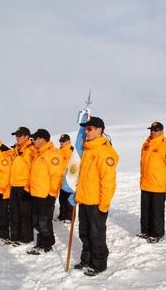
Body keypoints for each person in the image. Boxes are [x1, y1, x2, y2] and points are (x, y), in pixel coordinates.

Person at [73, 116, 119, 276]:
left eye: (90, 128)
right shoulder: (88, 149)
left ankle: (99, 263)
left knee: (96, 234)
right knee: (84, 233)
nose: (86, 131)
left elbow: (108, 183)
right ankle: (86, 259)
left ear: (99, 130)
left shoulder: (105, 152)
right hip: (84, 199)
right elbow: (84, 177)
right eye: (86, 128)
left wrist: (104, 205)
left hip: (96, 203)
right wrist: (77, 194)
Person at [138, 122, 166, 243]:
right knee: (145, 210)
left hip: (158, 185)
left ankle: (157, 234)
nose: (152, 132)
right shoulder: (146, 144)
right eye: (151, 130)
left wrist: (161, 176)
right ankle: (145, 231)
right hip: (145, 183)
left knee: (156, 211)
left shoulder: (165, 146)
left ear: (161, 131)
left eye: (155, 130)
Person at [27, 129, 64, 254]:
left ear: (43, 139)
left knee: (44, 221)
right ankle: (40, 243)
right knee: (37, 221)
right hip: (36, 193)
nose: (33, 141)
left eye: (35, 139)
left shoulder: (52, 154)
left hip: (46, 195)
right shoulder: (39, 154)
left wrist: (52, 194)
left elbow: (56, 175)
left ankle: (47, 245)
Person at [9, 127, 35, 244]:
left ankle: (26, 238)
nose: (17, 138)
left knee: (25, 214)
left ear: (26, 137)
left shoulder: (32, 149)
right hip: (14, 186)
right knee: (14, 213)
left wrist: (28, 188)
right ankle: (15, 237)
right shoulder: (16, 150)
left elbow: (34, 171)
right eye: (16, 136)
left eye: (19, 136)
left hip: (24, 186)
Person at [57, 134, 74, 223]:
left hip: (68, 177)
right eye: (60, 141)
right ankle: (62, 215)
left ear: (68, 141)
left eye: (63, 141)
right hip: (61, 178)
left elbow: (72, 165)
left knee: (68, 198)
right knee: (62, 198)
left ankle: (69, 217)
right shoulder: (60, 150)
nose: (61, 142)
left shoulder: (71, 150)